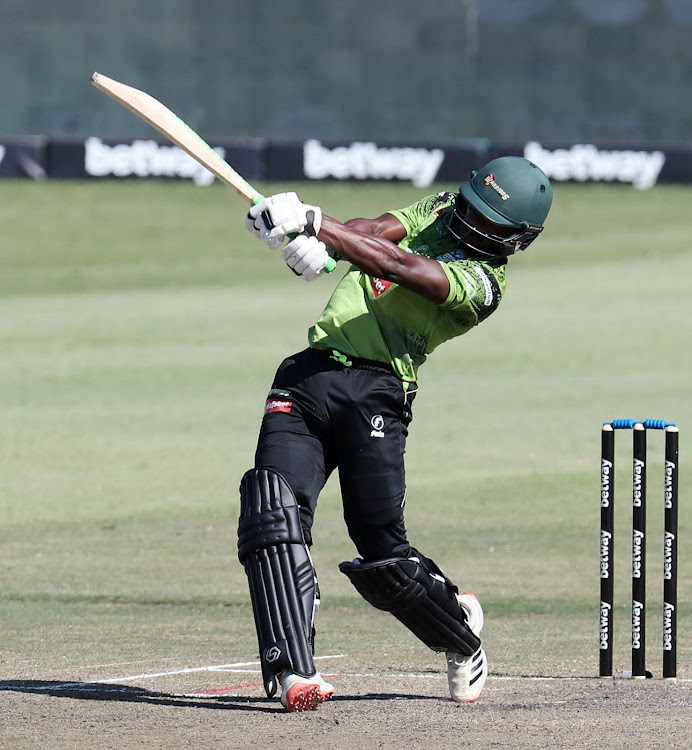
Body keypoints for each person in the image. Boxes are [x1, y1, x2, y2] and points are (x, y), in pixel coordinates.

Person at [237, 156, 553, 712]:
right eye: (469, 207)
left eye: (487, 223)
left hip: (378, 392)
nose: (467, 223)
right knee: (271, 512)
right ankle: (292, 671)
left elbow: (403, 266)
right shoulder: (444, 207)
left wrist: (316, 224)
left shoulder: (484, 285)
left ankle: (459, 632)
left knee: (382, 555)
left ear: (517, 240)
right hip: (309, 374)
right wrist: (313, 236)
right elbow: (375, 233)